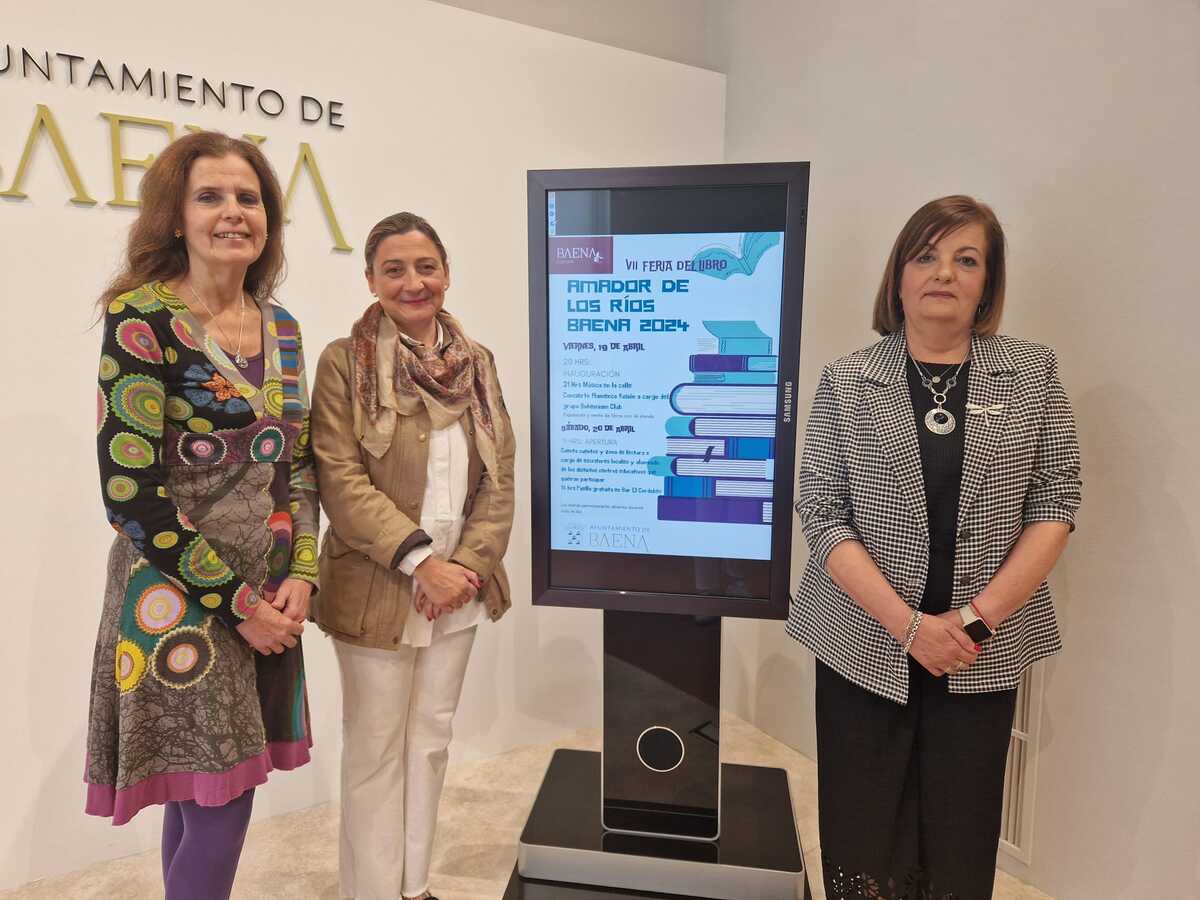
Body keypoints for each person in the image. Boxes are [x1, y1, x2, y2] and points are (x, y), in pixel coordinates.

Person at [788, 195, 1081, 900]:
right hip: (863, 641)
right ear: (899, 278)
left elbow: (1056, 502)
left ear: (987, 283)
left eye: (966, 259)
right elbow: (822, 512)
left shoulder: (1033, 375)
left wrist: (971, 623)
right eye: (926, 256)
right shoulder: (847, 380)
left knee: (960, 830)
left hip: (981, 650)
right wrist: (909, 626)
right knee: (863, 829)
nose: (944, 272)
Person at [85, 131, 319, 900]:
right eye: (210, 197)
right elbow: (130, 495)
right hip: (175, 591)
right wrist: (241, 606)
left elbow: (297, 467)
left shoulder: (283, 328)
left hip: (268, 593)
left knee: (204, 790)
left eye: (248, 198)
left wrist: (302, 575)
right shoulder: (141, 319)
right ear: (175, 215)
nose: (232, 212)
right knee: (220, 795)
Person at [310, 212, 516, 900]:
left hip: (460, 588)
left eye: (426, 267)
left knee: (431, 738)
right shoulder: (343, 363)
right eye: (393, 269)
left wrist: (466, 569)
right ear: (370, 279)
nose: (413, 282)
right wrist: (422, 563)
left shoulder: (478, 362)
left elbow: (499, 477)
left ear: (446, 273)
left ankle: (414, 885)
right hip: (379, 586)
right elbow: (340, 479)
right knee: (374, 747)